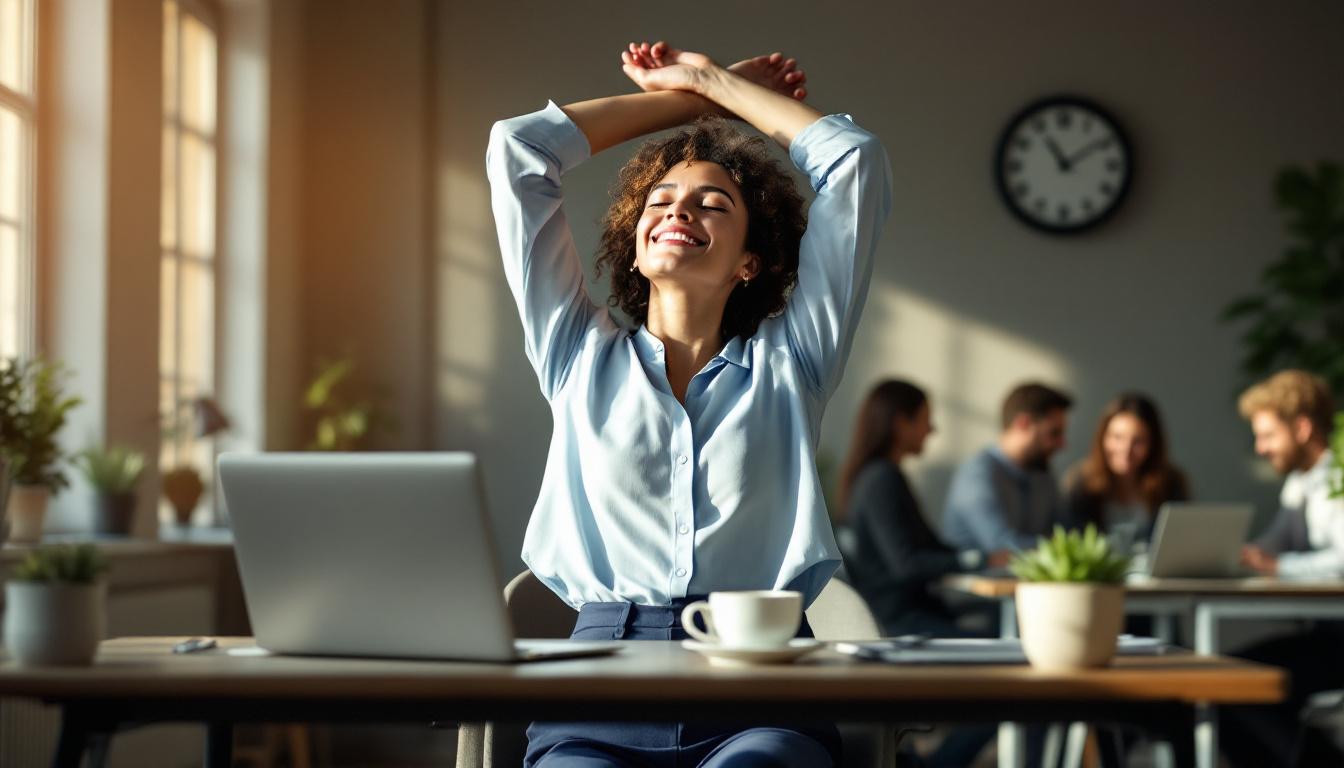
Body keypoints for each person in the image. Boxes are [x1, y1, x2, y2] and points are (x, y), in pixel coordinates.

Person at [487, 39, 891, 767]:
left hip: (761, 687)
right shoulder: (577, 354)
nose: (680, 209)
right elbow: (518, 148)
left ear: (749, 262)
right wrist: (695, 99)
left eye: (714, 203)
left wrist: (709, 79)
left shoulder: (792, 361)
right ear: (636, 247)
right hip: (599, 685)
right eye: (662, 199)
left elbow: (854, 161)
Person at [1221, 370, 1344, 767]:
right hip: (1325, 635)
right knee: (1228, 683)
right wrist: (1236, 554)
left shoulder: (1337, 479)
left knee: (1239, 685)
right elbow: (1272, 546)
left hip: (1338, 641)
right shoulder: (1300, 483)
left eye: (1268, 435)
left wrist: (1280, 565)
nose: (1261, 448)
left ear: (1303, 428)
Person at [838, 379, 1011, 637]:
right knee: (1002, 639)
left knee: (998, 621)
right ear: (900, 423)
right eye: (925, 419)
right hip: (900, 622)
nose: (932, 430)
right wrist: (980, 559)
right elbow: (906, 564)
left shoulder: (882, 476)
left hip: (917, 610)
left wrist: (981, 558)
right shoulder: (881, 479)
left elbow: (931, 547)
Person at [942, 382, 1073, 553]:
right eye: (1054, 433)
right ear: (1023, 423)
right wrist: (1063, 549)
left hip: (1024, 578)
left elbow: (1068, 533)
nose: (1062, 444)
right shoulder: (977, 475)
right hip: (976, 578)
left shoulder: (1043, 475)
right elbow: (1001, 546)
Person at [1062, 392, 1190, 550]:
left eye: (1138, 441)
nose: (1126, 449)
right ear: (1103, 437)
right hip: (1099, 573)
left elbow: (1180, 544)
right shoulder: (1080, 483)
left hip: (1151, 574)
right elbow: (1070, 542)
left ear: (1153, 444)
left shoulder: (1171, 483)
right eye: (1117, 437)